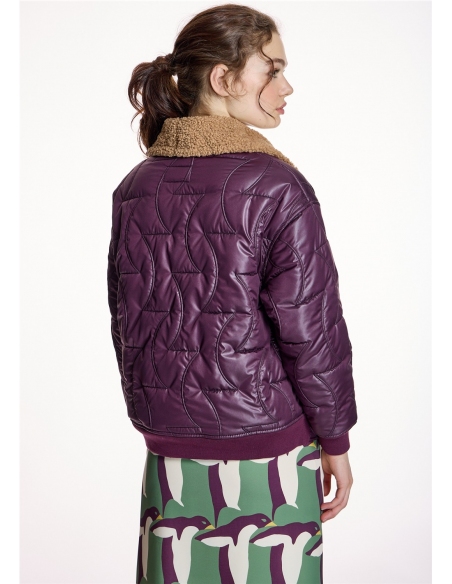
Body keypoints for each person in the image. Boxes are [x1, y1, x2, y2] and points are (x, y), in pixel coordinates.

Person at [107, 4, 357, 583]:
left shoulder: (135, 187)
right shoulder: (276, 185)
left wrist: (158, 415)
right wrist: (336, 439)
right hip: (269, 450)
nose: (287, 87)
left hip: (168, 450)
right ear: (224, 78)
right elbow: (311, 329)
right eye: (273, 70)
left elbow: (126, 322)